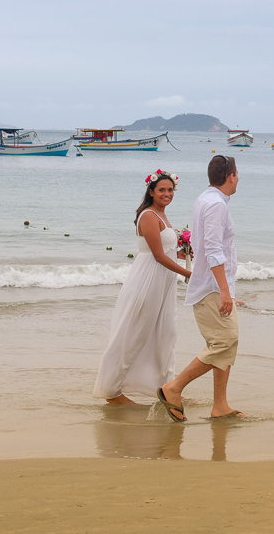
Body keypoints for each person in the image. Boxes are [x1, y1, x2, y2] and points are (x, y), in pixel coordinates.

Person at [157, 155, 245, 422]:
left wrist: (227, 288)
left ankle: (220, 405)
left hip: (212, 285)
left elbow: (201, 245)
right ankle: (173, 388)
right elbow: (214, 250)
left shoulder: (205, 199)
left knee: (224, 345)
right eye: (237, 174)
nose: (238, 178)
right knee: (224, 342)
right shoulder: (216, 204)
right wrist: (225, 291)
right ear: (230, 176)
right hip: (211, 287)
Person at [93, 170, 192, 404]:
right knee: (134, 334)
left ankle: (167, 388)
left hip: (163, 283)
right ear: (151, 192)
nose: (167, 194)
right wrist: (190, 274)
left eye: (170, 190)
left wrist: (183, 252)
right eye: (162, 190)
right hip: (148, 281)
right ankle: (111, 391)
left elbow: (165, 250)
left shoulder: (163, 215)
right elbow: (157, 256)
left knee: (166, 333)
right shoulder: (148, 215)